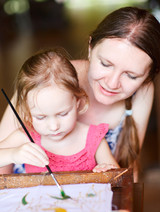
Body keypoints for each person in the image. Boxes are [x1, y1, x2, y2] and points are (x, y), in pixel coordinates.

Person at [0, 7, 160, 180]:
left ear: (147, 77)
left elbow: (129, 164)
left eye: (131, 75)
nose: (112, 83)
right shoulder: (46, 82)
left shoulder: (142, 92)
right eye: (106, 64)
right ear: (91, 48)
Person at [0, 48, 119, 174]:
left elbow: (119, 176)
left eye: (63, 114)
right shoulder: (26, 137)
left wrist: (108, 170)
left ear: (78, 102)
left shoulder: (94, 138)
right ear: (27, 111)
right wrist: (13, 154)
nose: (53, 127)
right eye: (41, 117)